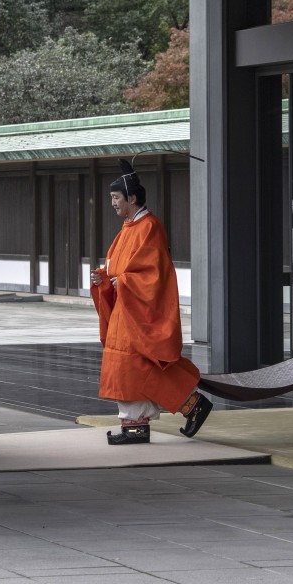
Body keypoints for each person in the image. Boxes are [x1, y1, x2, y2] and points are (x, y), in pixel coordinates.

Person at [90, 159, 212, 446]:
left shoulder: (149, 227)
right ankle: (182, 408)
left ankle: (146, 422)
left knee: (136, 367)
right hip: (126, 310)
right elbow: (116, 269)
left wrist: (127, 282)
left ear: (132, 198)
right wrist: (103, 280)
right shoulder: (129, 227)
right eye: (112, 198)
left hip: (138, 311)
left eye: (116, 198)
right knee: (132, 367)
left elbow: (154, 274)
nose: (113, 204)